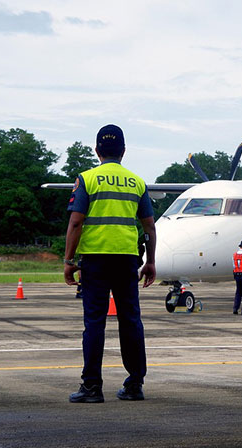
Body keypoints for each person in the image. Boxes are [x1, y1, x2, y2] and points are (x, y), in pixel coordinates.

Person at [64, 124, 156, 403]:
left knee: (94, 322)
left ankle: (92, 387)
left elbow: (76, 222)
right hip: (127, 259)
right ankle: (135, 384)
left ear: (97, 151)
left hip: (95, 259)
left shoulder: (87, 179)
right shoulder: (137, 182)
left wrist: (69, 260)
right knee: (130, 320)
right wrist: (150, 262)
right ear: (123, 151)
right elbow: (149, 227)